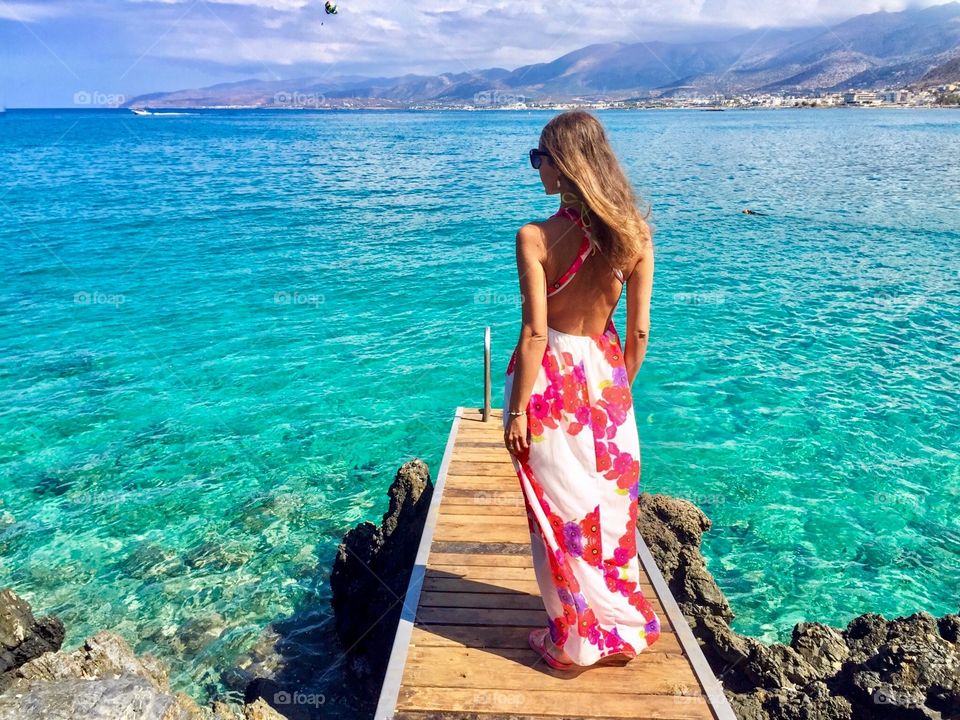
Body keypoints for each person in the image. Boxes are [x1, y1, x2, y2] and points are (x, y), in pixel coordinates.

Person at [502, 110, 660, 671]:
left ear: (564, 163)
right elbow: (639, 331)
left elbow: (536, 332)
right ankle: (617, 629)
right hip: (606, 380)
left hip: (549, 387)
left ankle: (573, 641)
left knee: (557, 512)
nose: (536, 167)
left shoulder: (536, 237)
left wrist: (518, 411)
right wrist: (618, 391)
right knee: (609, 514)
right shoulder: (635, 234)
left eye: (539, 156)